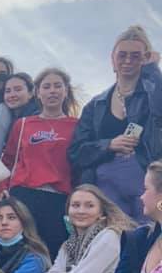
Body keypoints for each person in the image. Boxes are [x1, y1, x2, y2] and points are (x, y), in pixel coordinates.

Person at [68, 26, 162, 222]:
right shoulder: (95, 105)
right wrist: (109, 144)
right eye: (122, 55)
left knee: (151, 239)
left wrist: (153, 70)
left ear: (145, 59)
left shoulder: (154, 93)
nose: (128, 61)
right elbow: (76, 151)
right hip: (105, 186)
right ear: (113, 58)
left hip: (147, 181)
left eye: (136, 56)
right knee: (113, 242)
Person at [1, 68, 80, 259]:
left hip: (58, 199)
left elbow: (81, 163)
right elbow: (8, 160)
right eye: (46, 86)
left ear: (66, 90)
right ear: (37, 92)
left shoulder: (76, 125)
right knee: (14, 251)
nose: (52, 91)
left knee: (49, 253)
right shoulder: (23, 124)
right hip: (23, 195)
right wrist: (1, 188)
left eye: (57, 86)